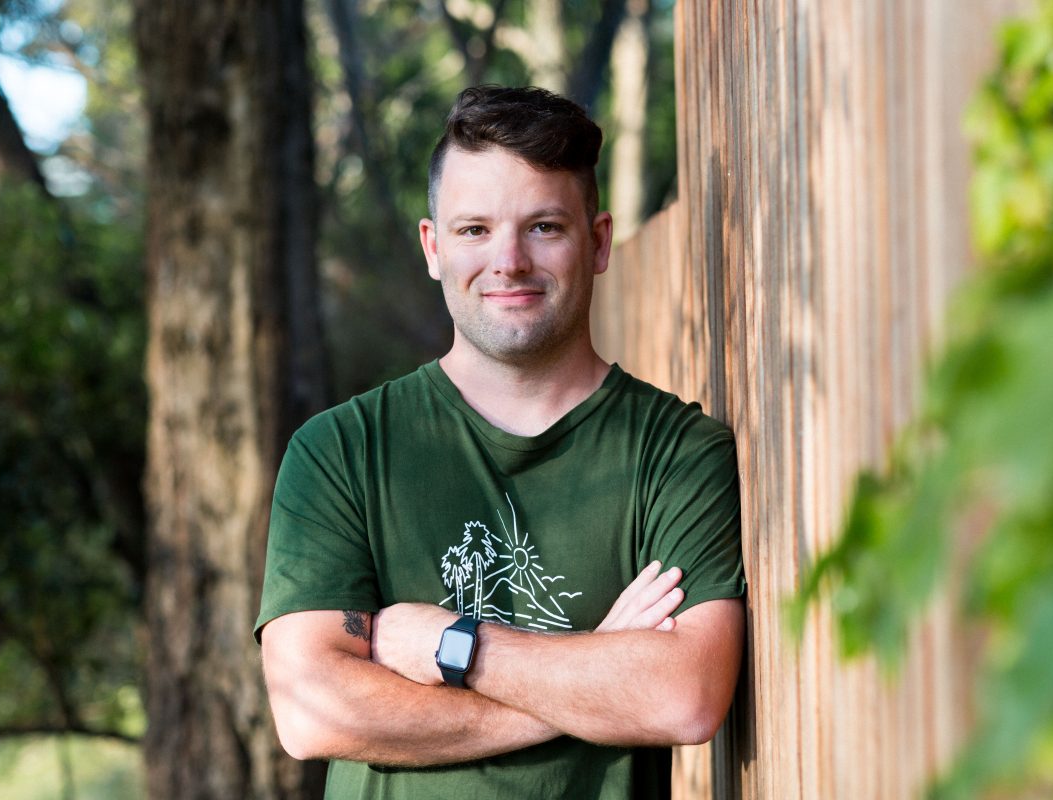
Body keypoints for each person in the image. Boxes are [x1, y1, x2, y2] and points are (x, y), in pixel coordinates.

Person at [255, 85, 746, 799]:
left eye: (543, 226)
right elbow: (310, 712)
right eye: (474, 230)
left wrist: (452, 648)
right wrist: (596, 673)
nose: (508, 260)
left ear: (598, 241)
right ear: (434, 247)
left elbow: (684, 698)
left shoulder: (676, 453)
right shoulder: (341, 452)